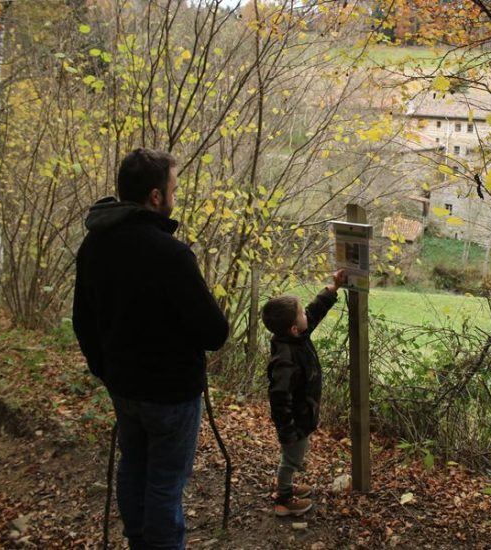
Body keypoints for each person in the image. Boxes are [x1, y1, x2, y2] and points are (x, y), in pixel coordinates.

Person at [73, 148, 229, 549]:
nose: (175, 195)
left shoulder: (94, 245)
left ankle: (138, 543)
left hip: (124, 388)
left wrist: (106, 370)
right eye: (173, 188)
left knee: (135, 469)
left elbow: (83, 320)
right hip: (171, 394)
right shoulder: (170, 254)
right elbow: (214, 332)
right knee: (164, 483)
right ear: (156, 196)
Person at [261, 269, 347, 517]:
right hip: (294, 422)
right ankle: (284, 499)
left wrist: (333, 288)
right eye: (300, 314)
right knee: (291, 458)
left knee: (293, 457)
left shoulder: (294, 337)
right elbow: (279, 397)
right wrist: (287, 430)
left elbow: (314, 311)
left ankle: (285, 487)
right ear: (293, 328)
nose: (304, 314)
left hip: (302, 415)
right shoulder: (285, 359)